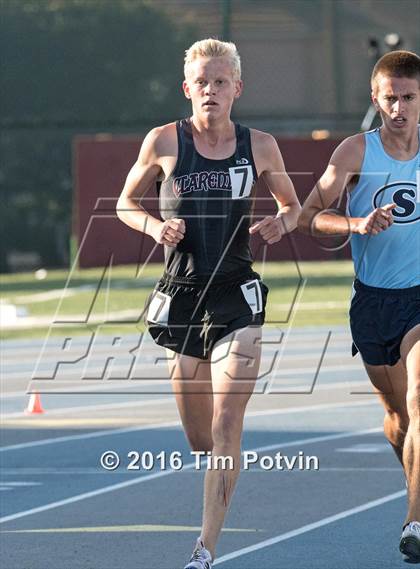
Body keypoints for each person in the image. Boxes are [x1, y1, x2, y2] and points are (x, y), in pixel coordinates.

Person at [116, 38, 301, 568]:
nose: (211, 90)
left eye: (221, 81)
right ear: (187, 89)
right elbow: (127, 203)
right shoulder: (163, 142)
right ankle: (219, 469)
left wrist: (278, 222)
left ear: (237, 88)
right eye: (202, 82)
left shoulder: (260, 145)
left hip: (237, 296)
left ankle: (205, 549)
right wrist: (155, 226)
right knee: (201, 439)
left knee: (226, 425)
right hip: (181, 297)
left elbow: (293, 207)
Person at [298, 50, 420, 563]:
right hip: (373, 301)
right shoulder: (353, 152)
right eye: (390, 98)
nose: (399, 108)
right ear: (376, 98)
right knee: (398, 418)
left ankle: (414, 521)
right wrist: (357, 224)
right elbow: (309, 216)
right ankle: (414, 477)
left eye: (409, 98)